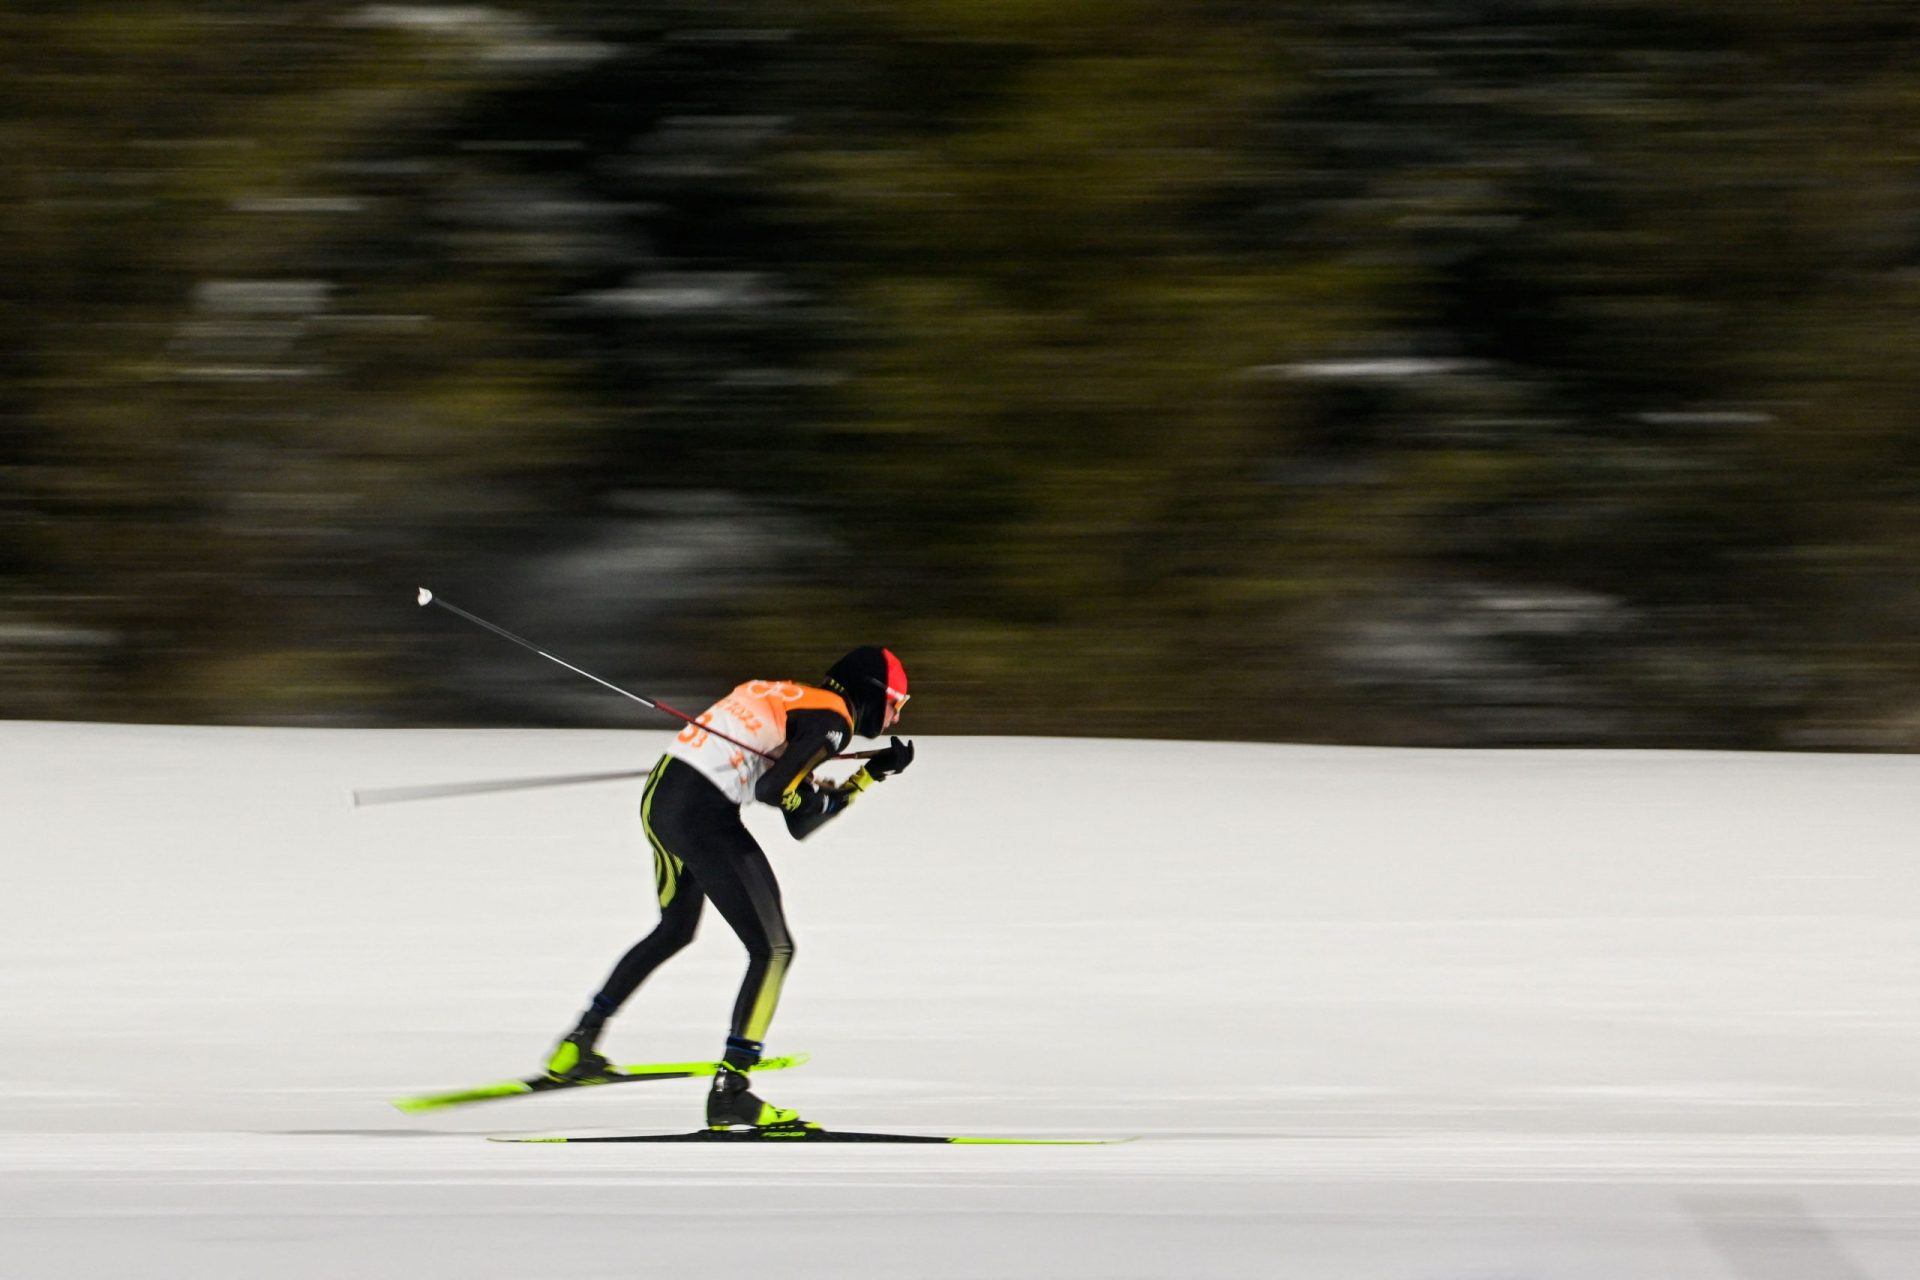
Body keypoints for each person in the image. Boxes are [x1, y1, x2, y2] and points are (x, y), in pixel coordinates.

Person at [543, 646, 913, 1130]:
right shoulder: (834, 719)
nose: (894, 716)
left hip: (662, 797)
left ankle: (577, 1047)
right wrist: (820, 788)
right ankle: (732, 1091)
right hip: (702, 815)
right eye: (896, 703)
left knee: (675, 929)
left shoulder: (793, 696)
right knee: (774, 950)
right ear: (871, 692)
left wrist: (865, 775)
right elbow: (777, 795)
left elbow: (795, 810)